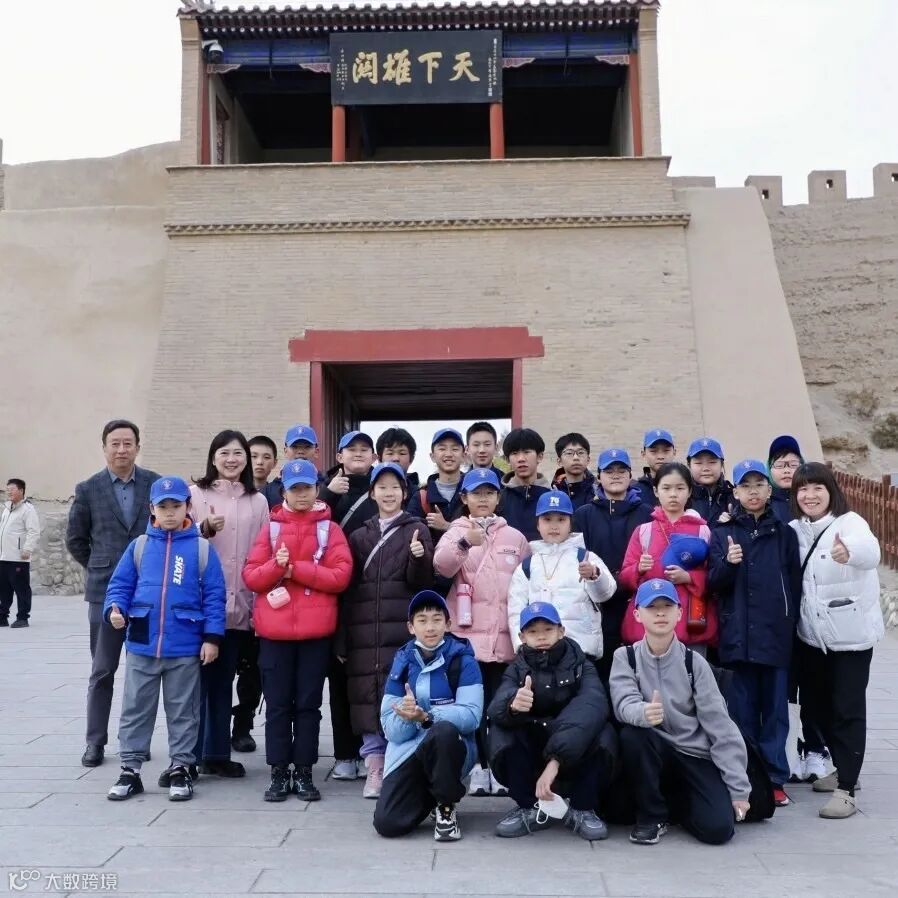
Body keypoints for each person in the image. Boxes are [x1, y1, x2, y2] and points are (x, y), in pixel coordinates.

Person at [104, 476, 227, 801]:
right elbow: (120, 586)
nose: (170, 512)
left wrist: (212, 638)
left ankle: (181, 768)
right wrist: (115, 608)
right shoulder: (140, 547)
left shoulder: (201, 549)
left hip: (184, 646)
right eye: (163, 507)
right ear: (152, 509)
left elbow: (215, 597)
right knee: (135, 708)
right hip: (142, 643)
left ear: (188, 507)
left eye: (176, 506)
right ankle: (130, 769)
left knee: (184, 710)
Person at [243, 459, 353, 802]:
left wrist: (295, 570)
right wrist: (276, 568)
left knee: (308, 706)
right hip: (275, 635)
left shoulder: (330, 530)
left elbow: (341, 577)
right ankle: (278, 771)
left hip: (315, 636)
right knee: (277, 706)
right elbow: (252, 577)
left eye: (307, 487)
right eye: (295, 488)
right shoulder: (271, 529)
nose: (301, 494)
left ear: (317, 489)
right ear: (284, 491)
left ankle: (304, 771)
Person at [610, 578, 751, 845]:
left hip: (694, 754)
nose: (660, 613)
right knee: (633, 736)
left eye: (667, 606)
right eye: (652, 607)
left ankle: (678, 805)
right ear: (638, 615)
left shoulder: (694, 663)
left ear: (679, 613)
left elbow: (720, 726)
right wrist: (643, 712)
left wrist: (738, 790)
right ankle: (652, 817)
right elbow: (623, 703)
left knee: (718, 830)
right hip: (654, 751)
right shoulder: (625, 657)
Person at [789, 462, 884, 819]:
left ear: (831, 491)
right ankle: (844, 766)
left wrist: (851, 553)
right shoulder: (795, 529)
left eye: (818, 487)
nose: (810, 495)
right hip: (813, 639)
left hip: (850, 639)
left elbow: (871, 551)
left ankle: (847, 788)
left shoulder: (850, 523)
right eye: (803, 488)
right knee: (817, 708)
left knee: (847, 710)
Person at [66, 419, 160, 768]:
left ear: (137, 447)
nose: (122, 450)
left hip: (147, 594)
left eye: (128, 443)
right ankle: (95, 742)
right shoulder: (88, 489)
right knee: (103, 670)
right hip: (104, 593)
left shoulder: (154, 484)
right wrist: (100, 566)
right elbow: (75, 539)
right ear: (104, 447)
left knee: (144, 672)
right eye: (115, 444)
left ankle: (136, 742)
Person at [708, 460, 801, 807]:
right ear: (735, 491)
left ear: (768, 489)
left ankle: (775, 777)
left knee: (775, 712)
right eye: (745, 485)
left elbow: (794, 584)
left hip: (775, 634)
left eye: (759, 484)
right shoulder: (722, 532)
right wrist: (728, 564)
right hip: (737, 635)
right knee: (741, 712)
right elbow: (713, 584)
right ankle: (748, 777)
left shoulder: (784, 533)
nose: (752, 492)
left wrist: (790, 622)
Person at [433, 467, 530, 798]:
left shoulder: (514, 537)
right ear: (465, 498)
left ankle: (499, 768)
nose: (483, 499)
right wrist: (465, 542)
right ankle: (477, 766)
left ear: (498, 498)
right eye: (476, 493)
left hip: (503, 638)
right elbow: (441, 565)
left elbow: (525, 581)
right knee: (472, 706)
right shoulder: (456, 531)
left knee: (500, 707)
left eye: (489, 493)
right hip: (467, 638)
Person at [343, 462, 434, 798]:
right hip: (364, 628)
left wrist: (419, 557)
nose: (388, 493)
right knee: (366, 695)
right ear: (372, 493)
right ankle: (375, 767)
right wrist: (342, 637)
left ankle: (399, 765)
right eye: (381, 487)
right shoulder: (358, 536)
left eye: (395, 487)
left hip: (401, 630)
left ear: (404, 493)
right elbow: (348, 588)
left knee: (399, 694)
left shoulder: (417, 529)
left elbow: (422, 583)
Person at [488, 602, 611, 841]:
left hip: (572, 753)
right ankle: (529, 807)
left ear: (561, 631)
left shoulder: (582, 665)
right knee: (501, 729)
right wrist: (513, 705)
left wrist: (556, 759)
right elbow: (495, 708)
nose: (541, 636)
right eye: (533, 631)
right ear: (522, 637)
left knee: (602, 731)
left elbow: (592, 706)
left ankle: (583, 808)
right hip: (535, 751)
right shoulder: (516, 668)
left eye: (548, 629)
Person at [372, 590, 483, 841]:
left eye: (436, 619)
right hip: (408, 751)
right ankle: (432, 794)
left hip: (451, 749)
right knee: (388, 824)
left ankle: (446, 806)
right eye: (422, 621)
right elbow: (390, 730)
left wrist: (427, 717)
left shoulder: (463, 660)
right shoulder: (401, 661)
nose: (430, 627)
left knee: (442, 731)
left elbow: (472, 716)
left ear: (448, 624)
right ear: (411, 627)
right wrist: (406, 716)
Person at [190, 430, 270, 778]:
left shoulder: (258, 501)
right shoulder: (195, 494)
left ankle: (217, 753)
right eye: (224, 453)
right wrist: (202, 528)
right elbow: (174, 537)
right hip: (202, 606)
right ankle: (189, 756)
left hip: (242, 604)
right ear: (213, 457)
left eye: (238, 453)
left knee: (224, 682)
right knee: (197, 686)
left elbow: (264, 548)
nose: (231, 459)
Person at [318, 429, 377, 781]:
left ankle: (373, 752)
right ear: (339, 456)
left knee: (370, 679)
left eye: (364, 449)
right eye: (350, 449)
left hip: (370, 595)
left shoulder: (382, 488)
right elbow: (307, 526)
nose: (358, 453)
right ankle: (344, 753)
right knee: (339, 678)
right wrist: (328, 494)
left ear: (374, 457)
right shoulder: (324, 490)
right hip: (333, 595)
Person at [573, 449, 653, 682]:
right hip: (598, 605)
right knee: (601, 673)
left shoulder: (647, 513)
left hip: (635, 600)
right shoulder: (584, 514)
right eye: (609, 471)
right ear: (599, 476)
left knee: (638, 672)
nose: (615, 475)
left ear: (630, 475)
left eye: (621, 470)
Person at [508, 490, 615, 662]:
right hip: (539, 652)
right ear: (538, 525)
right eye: (547, 519)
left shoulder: (586, 557)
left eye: (561, 519)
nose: (554, 526)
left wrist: (594, 576)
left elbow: (605, 594)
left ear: (570, 523)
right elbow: (516, 609)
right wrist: (521, 645)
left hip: (581, 649)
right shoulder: (527, 566)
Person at [619, 462, 716, 651]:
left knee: (692, 669)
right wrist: (638, 568)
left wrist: (689, 577)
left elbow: (714, 575)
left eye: (680, 488)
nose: (673, 494)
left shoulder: (702, 531)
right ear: (656, 491)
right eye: (666, 488)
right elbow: (624, 577)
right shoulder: (644, 531)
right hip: (648, 627)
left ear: (689, 491)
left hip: (689, 625)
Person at [406, 428, 466, 543]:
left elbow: (486, 533)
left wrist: (447, 526)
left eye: (455, 449)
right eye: (442, 449)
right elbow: (409, 535)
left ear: (464, 455)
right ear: (432, 456)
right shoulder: (421, 497)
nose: (449, 454)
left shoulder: (475, 491)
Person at [0, 478, 41, 628]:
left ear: (21, 490)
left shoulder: (27, 509)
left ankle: (23, 617)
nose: (8, 492)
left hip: (19, 557)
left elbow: (34, 531)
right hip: (4, 557)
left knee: (21, 589)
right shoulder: (7, 508)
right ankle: (2, 617)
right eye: (7, 489)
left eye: (12, 489)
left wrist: (27, 549)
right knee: (4, 589)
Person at [497, 428, 550, 541]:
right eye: (515, 453)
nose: (521, 459)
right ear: (507, 460)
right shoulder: (498, 499)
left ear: (540, 456)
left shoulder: (553, 498)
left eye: (527, 452)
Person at [687, 438, 734, 527]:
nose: (706, 468)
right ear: (689, 465)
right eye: (698, 463)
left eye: (712, 462)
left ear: (721, 464)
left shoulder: (733, 496)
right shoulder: (683, 497)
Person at [551, 433, 596, 511]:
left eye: (580, 453)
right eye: (569, 453)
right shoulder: (552, 494)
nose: (576, 458)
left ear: (588, 460)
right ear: (559, 461)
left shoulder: (598, 492)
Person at [633, 429, 676, 508]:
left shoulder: (685, 487)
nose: (660, 457)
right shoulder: (635, 492)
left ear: (674, 452)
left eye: (666, 451)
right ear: (643, 454)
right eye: (653, 451)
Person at [767, 435, 803, 524]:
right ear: (769, 469)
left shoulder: (811, 497)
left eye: (793, 465)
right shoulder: (763, 503)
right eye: (779, 465)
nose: (786, 470)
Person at [376, 426, 420, 493]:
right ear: (379, 459)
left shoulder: (420, 495)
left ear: (411, 459)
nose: (396, 458)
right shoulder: (369, 493)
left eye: (402, 453)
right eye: (390, 453)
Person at [249, 435, 282, 510]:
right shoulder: (234, 493)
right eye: (254, 456)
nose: (259, 462)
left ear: (274, 463)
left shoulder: (278, 496)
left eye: (266, 457)